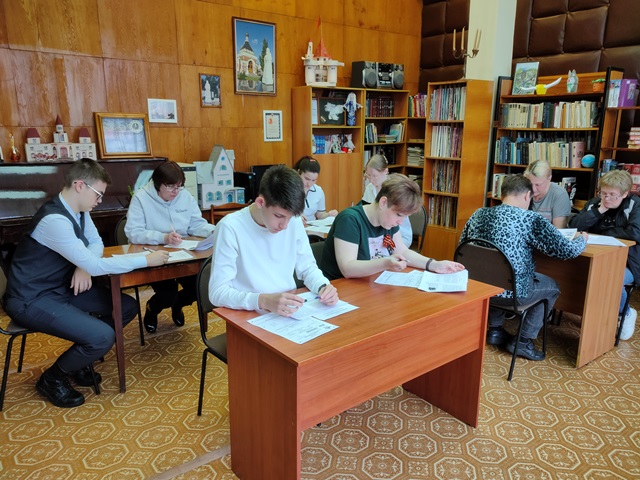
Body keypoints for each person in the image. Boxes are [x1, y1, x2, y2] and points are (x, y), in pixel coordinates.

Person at [3, 159, 169, 408]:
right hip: (30, 299)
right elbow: (96, 264)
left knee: (126, 307)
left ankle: (78, 359)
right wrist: (146, 259)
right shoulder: (54, 220)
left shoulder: (80, 211)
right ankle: (52, 378)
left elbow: (96, 243)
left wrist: (83, 266)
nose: (100, 200)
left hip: (61, 288)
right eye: (98, 194)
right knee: (102, 336)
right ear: (80, 185)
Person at [459, 174, 587, 360]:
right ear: (527, 195)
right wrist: (582, 239)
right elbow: (567, 251)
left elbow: (463, 248)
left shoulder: (478, 214)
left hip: (481, 289)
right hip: (513, 293)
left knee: (494, 273)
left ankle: (495, 330)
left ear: (502, 193)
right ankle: (523, 341)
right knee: (552, 287)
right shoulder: (531, 219)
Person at [209, 164, 338, 316]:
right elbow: (217, 292)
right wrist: (262, 301)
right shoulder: (230, 227)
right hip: (247, 314)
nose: (285, 226)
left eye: (290, 217)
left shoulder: (294, 221)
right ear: (260, 202)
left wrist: (323, 286)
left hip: (288, 311)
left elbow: (307, 268)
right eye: (279, 216)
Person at [320, 173, 464, 280]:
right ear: (383, 203)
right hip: (338, 291)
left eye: (405, 216)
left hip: (370, 285)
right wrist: (384, 263)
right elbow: (347, 269)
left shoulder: (387, 220)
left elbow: (403, 251)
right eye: (399, 215)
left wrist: (434, 264)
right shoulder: (350, 220)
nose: (400, 222)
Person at [125, 161, 215, 333]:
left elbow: (196, 224)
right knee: (167, 295)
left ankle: (178, 305)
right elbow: (133, 233)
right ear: (158, 184)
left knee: (200, 288)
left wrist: (214, 230)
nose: (176, 191)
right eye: (171, 186)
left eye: (179, 186)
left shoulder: (184, 196)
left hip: (184, 254)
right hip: (155, 256)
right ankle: (152, 308)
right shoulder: (141, 198)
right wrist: (163, 237)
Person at [569, 169, 640, 340]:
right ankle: (589, 312)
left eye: (612, 195)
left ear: (624, 194)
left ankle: (625, 312)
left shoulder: (635, 204)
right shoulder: (595, 204)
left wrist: (604, 233)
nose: (606, 198)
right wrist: (598, 211)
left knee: (612, 277)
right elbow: (574, 225)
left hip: (629, 263)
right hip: (596, 257)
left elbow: (635, 233)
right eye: (603, 193)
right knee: (572, 272)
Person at [362, 154, 413, 247]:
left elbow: (403, 230)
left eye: (375, 176)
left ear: (385, 171)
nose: (371, 180)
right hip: (377, 235)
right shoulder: (370, 188)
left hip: (397, 236)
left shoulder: (395, 190)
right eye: (368, 176)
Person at [524, 160, 572, 228]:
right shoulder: (523, 190)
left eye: (538, 185)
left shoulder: (559, 194)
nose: (533, 189)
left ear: (549, 178)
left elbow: (558, 231)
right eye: (530, 183)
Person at [294, 156, 338, 224]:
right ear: (299, 172)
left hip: (311, 226)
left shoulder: (318, 190)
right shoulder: (289, 188)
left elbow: (320, 215)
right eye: (307, 179)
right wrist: (296, 217)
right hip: (295, 226)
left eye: (314, 180)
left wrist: (329, 214)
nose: (309, 183)